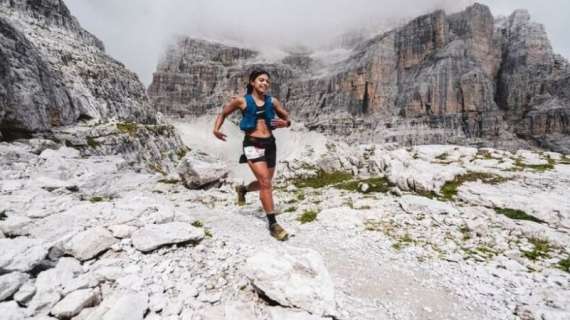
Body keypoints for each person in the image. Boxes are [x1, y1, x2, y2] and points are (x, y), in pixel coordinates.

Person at [212, 70, 291, 241]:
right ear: (253, 82)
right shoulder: (242, 101)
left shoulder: (273, 101)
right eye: (261, 80)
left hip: (270, 144)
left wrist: (286, 123)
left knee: (266, 182)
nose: (265, 83)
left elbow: (286, 117)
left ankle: (243, 189)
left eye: (267, 81)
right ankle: (273, 224)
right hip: (252, 144)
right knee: (265, 182)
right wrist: (216, 129)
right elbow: (223, 113)